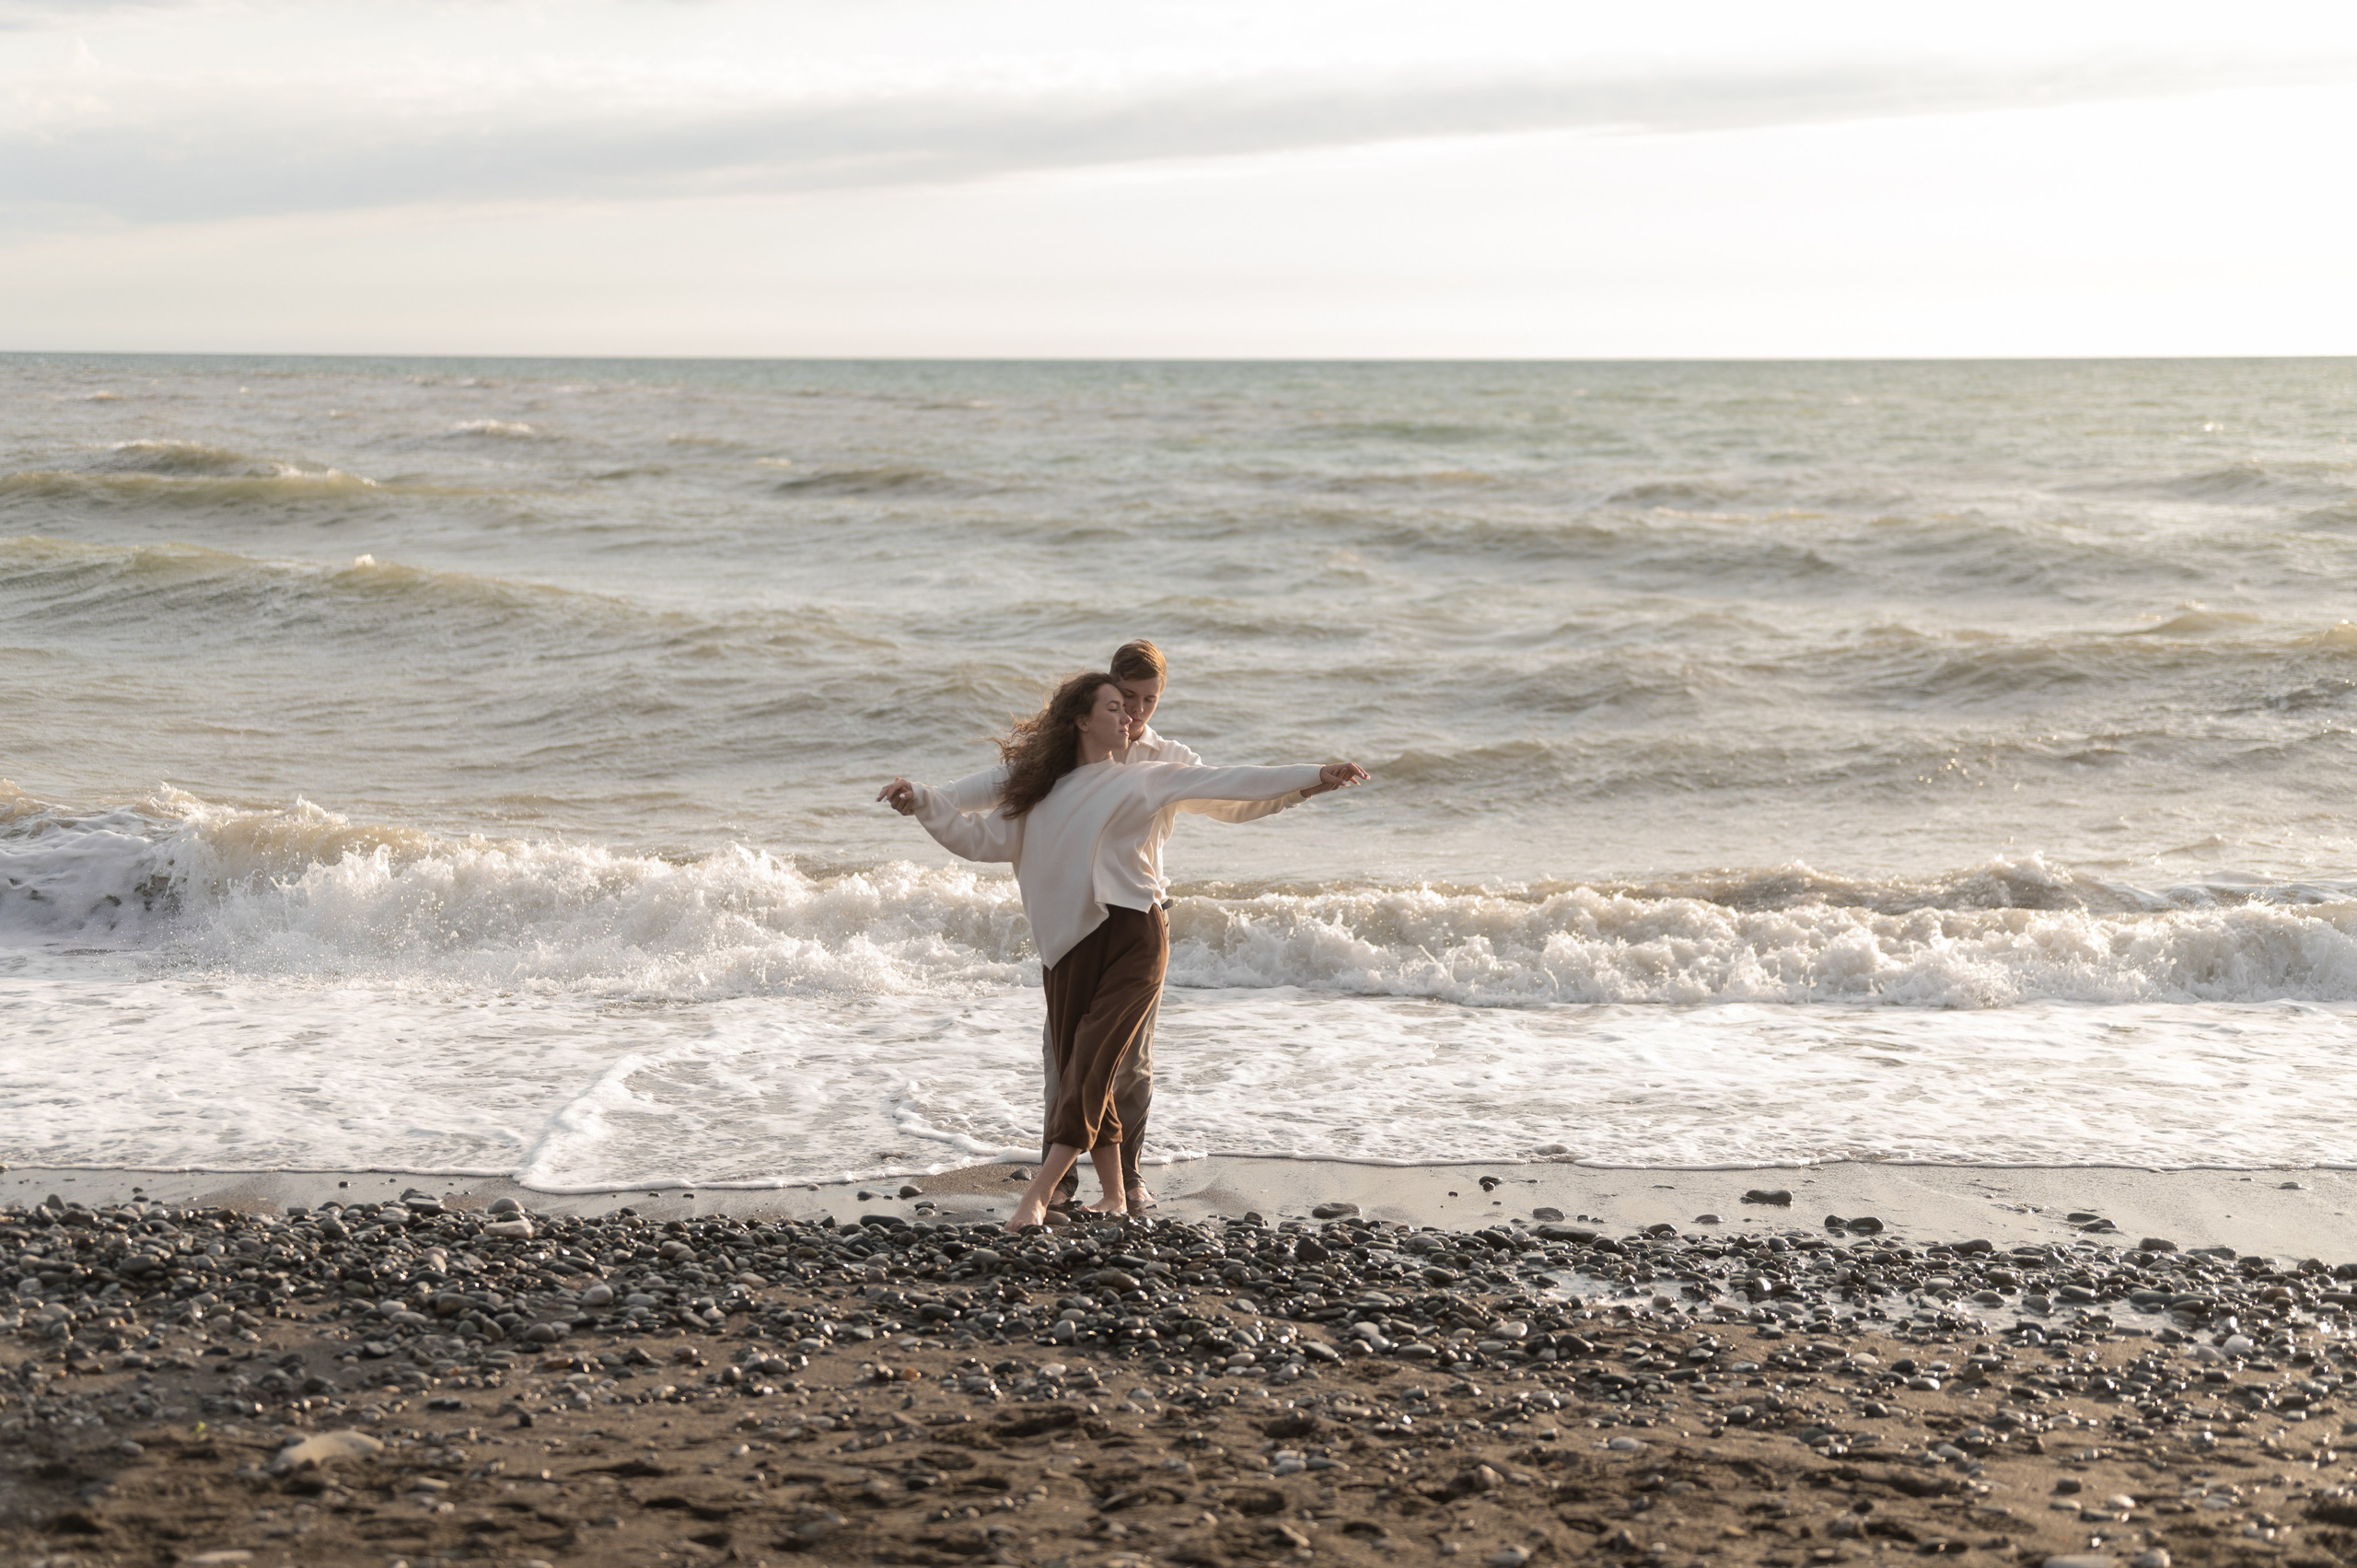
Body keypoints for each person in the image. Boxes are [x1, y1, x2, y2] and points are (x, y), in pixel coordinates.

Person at [878, 671, 1364, 1230]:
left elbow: (1233, 781)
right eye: (1115, 707)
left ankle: (1037, 1196)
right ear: (1082, 721)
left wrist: (1314, 777)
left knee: (1088, 1061)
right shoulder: (1039, 790)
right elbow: (979, 840)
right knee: (1088, 1066)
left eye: (1135, 707)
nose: (1130, 718)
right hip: (1066, 949)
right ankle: (1113, 1193)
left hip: (1134, 938)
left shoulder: (1145, 778)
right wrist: (922, 803)